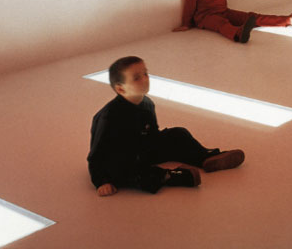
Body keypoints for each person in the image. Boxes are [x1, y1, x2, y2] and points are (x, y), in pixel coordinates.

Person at [88, 56, 245, 195]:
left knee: (178, 134)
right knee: (129, 171)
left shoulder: (147, 103)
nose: (145, 79)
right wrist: (101, 182)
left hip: (142, 149)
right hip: (122, 159)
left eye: (145, 73)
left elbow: (153, 134)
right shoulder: (110, 117)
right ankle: (171, 175)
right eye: (137, 78)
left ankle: (205, 157)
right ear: (120, 88)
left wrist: (166, 144)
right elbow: (96, 156)